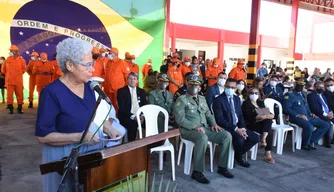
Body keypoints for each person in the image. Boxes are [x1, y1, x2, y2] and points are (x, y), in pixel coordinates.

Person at [35, 38, 121, 192]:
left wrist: (108, 128)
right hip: (64, 157)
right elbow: (43, 136)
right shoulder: (52, 93)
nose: (92, 70)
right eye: (87, 65)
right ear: (70, 65)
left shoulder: (88, 87)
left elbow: (90, 115)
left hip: (90, 154)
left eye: (92, 64)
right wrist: (80, 137)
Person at [174, 75, 234, 184]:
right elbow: (179, 119)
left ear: (200, 88)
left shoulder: (202, 98)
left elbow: (208, 113)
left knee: (226, 136)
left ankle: (222, 167)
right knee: (202, 137)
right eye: (192, 84)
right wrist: (194, 126)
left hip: (205, 128)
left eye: (196, 85)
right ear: (187, 85)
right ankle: (197, 172)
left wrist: (214, 123)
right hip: (189, 130)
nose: (194, 87)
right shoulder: (181, 99)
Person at [213, 78, 260, 168]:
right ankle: (239, 157)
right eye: (228, 87)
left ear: (236, 88)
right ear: (224, 86)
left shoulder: (237, 99)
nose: (230, 89)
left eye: (232, 87)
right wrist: (236, 129)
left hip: (238, 127)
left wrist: (242, 128)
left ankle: (234, 155)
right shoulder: (218, 100)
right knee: (240, 139)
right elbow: (220, 120)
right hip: (226, 127)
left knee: (255, 138)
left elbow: (240, 115)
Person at [283, 80, 330, 150]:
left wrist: (311, 113)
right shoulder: (289, 95)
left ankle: (310, 141)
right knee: (309, 126)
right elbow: (286, 109)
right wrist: (298, 115)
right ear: (295, 85)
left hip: (307, 116)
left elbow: (306, 106)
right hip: (296, 117)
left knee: (325, 124)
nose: (300, 87)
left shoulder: (303, 94)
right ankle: (305, 144)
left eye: (302, 86)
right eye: (299, 86)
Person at [242, 87, 275, 163]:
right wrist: (264, 116)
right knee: (269, 128)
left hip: (262, 123)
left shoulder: (260, 103)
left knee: (268, 122)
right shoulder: (246, 103)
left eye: (256, 93)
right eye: (252, 93)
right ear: (248, 94)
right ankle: (267, 153)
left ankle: (263, 139)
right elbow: (251, 116)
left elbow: (271, 115)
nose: (254, 95)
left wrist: (265, 116)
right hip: (251, 123)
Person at [117, 72, 147, 142]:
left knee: (150, 122)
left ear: (137, 81)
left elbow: (145, 105)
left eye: (134, 79)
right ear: (127, 80)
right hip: (127, 116)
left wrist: (142, 116)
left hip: (140, 116)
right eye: (130, 78)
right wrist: (134, 117)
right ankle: (132, 146)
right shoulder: (121, 91)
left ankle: (148, 146)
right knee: (133, 125)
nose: (132, 80)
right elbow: (122, 108)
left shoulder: (142, 91)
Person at [307, 81, 334, 148]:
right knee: (328, 123)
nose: (320, 89)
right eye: (318, 87)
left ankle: (332, 139)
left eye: (322, 87)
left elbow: (327, 106)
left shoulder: (323, 96)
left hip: (327, 113)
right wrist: (326, 115)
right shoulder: (311, 96)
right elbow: (315, 109)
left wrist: (330, 112)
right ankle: (326, 141)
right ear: (314, 87)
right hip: (318, 114)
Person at [1, 45, 26, 114]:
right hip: (9, 81)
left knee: (20, 94)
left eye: (12, 50)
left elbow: (24, 70)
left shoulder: (22, 60)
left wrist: (17, 76)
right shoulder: (6, 61)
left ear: (16, 51)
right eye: (10, 50)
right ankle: (10, 108)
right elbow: (3, 71)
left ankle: (20, 108)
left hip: (18, 81)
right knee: (9, 95)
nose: (10, 52)